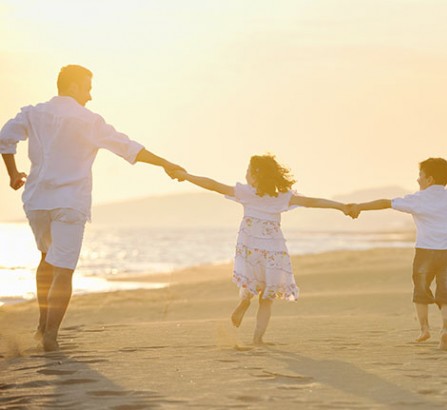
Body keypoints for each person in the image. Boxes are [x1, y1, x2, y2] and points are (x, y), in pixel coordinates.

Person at [0, 64, 185, 351]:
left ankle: (41, 326)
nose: (90, 95)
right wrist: (166, 164)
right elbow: (129, 148)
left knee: (46, 258)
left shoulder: (33, 112)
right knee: (63, 268)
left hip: (36, 201)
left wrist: (12, 174)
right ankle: (50, 335)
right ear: (73, 86)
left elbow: (5, 138)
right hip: (70, 202)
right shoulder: (88, 121)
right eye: (87, 88)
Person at [172, 154, 355, 345]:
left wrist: (186, 176)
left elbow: (213, 185)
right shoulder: (283, 196)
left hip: (250, 247)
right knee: (267, 298)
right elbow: (313, 202)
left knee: (250, 281)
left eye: (248, 170)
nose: (245, 174)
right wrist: (341, 206)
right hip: (274, 249)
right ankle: (258, 340)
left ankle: (244, 302)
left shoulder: (246, 193)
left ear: (255, 175)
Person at [349, 158, 447, 350]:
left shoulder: (417, 199)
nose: (418, 180)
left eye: (420, 176)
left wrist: (359, 206)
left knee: (421, 291)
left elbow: (386, 203)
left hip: (425, 253)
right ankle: (445, 331)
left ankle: (424, 329)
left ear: (430, 179)